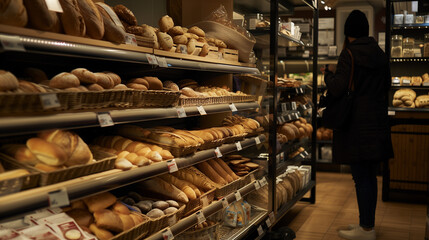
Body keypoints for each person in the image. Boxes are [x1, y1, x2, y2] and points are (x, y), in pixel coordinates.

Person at [321, 10, 393, 240]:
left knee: (360, 177)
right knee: (370, 176)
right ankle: (366, 225)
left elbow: (338, 88)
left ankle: (366, 230)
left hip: (357, 126)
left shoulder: (349, 54)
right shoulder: (380, 54)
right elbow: (387, 85)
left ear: (348, 32)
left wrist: (328, 75)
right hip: (377, 122)